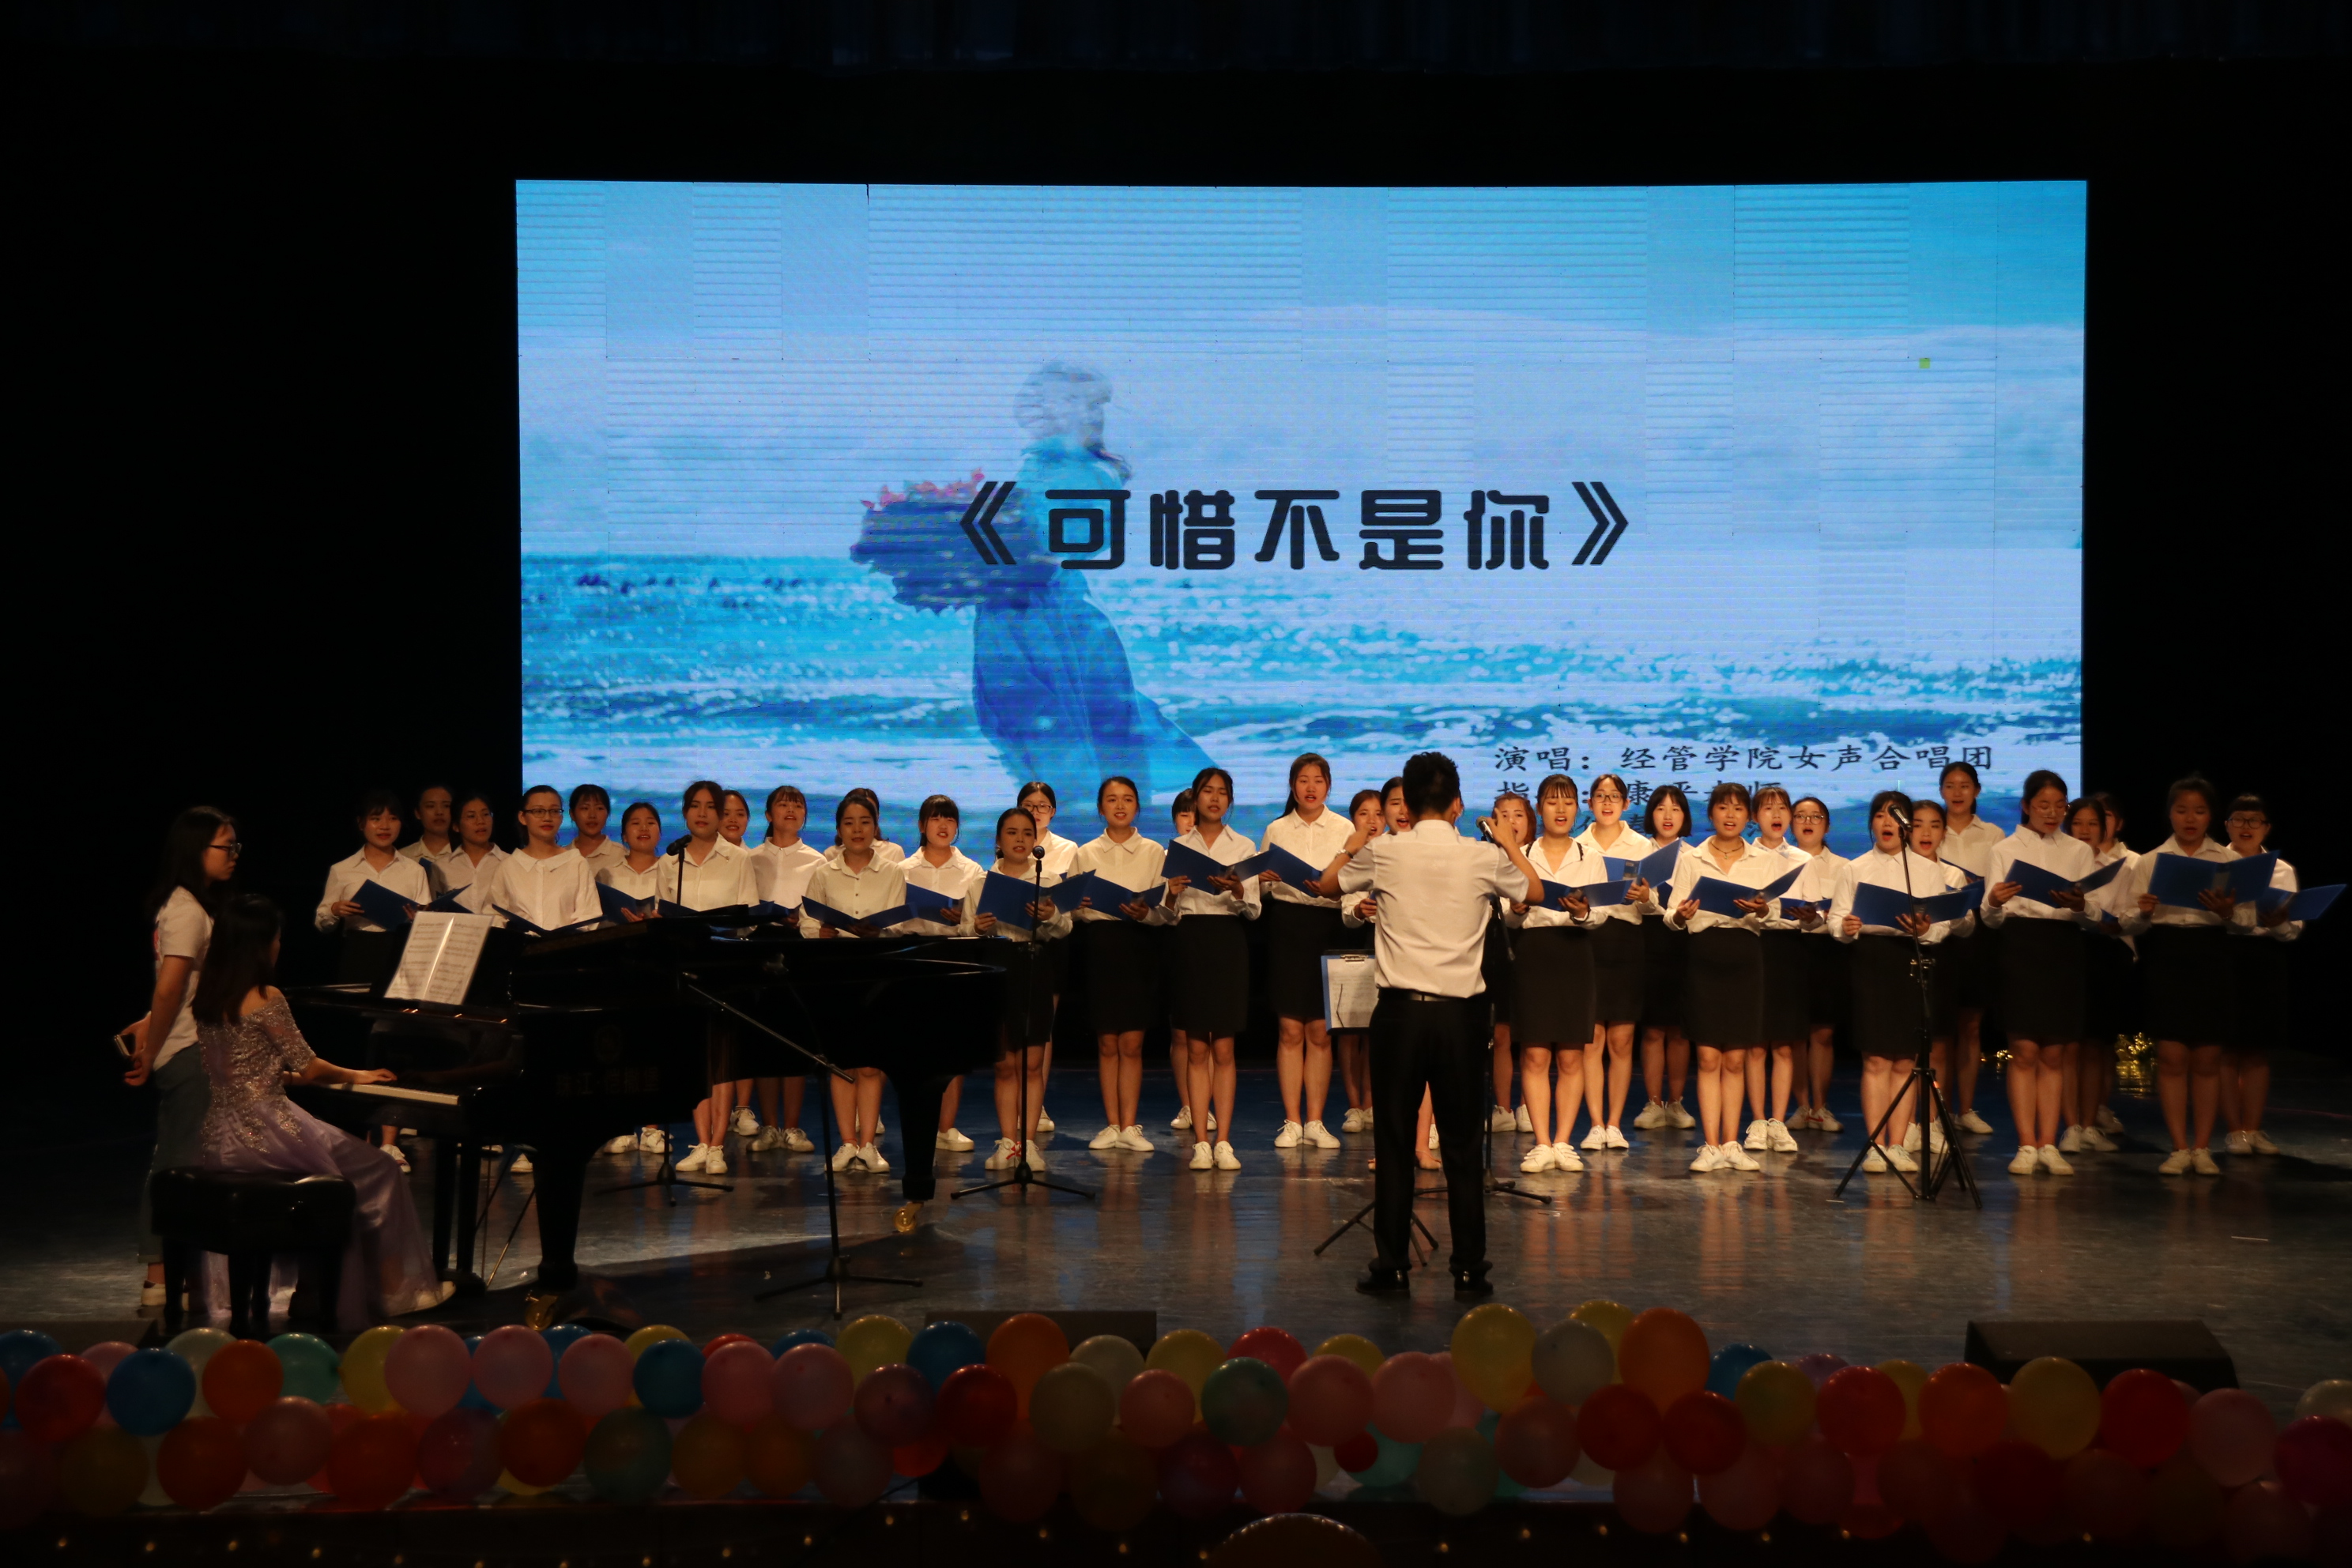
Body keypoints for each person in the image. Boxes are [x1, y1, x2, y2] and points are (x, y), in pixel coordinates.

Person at [190, 894, 451, 1323]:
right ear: (259, 945)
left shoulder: (208, 997)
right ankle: (392, 1290)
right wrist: (358, 1074)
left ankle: (312, 1290)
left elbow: (247, 1072)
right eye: (277, 938)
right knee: (380, 1171)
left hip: (221, 1135)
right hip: (268, 1130)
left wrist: (291, 1079)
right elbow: (310, 1066)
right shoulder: (265, 996)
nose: (279, 946)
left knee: (339, 1184)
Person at [1340, 751, 1544, 1298]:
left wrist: (1354, 844)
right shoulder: (1481, 855)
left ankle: (1392, 1266)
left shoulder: (1385, 850)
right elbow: (1535, 893)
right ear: (1457, 803)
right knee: (1460, 1145)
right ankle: (1470, 1269)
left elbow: (1328, 883)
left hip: (1400, 1014)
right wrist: (1508, 844)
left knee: (1395, 1140)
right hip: (1459, 1017)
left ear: (1406, 803)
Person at [125, 807, 239, 1309]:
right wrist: (151, 1048)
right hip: (189, 1050)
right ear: (196, 850)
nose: (233, 855)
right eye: (225, 846)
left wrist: (149, 1023)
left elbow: (180, 988)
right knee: (175, 1163)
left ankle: (179, 1273)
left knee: (184, 1161)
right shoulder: (188, 910)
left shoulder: (186, 905)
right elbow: (170, 986)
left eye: (235, 846)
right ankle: (159, 1277)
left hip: (191, 1043)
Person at [2120, 778, 2252, 1176]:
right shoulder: (2150, 861)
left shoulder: (2227, 861)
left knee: (2208, 1058)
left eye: (2198, 811)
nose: (2189, 818)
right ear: (2170, 814)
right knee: (2172, 1057)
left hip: (2211, 956)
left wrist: (2227, 912)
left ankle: (2202, 1148)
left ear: (2210, 816)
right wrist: (2143, 912)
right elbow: (2129, 923)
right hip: (2166, 956)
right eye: (2181, 810)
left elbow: (2247, 922)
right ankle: (2179, 1147)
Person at [1831, 792, 1966, 1174]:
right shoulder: (1854, 868)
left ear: (1905, 826)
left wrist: (1925, 929)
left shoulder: (1924, 869)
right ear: (1872, 823)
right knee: (1876, 1059)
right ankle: (1876, 1145)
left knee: (1906, 1059)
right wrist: (1846, 926)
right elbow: (1836, 921)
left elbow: (1941, 928)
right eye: (1880, 815)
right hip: (1871, 961)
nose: (1887, 823)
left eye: (1895, 816)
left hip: (1910, 961)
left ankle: (1898, 1143)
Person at [1981, 770, 2098, 1176]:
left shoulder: (2079, 851)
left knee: (2054, 1052)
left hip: (2063, 948)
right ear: (2026, 806)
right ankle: (2026, 1144)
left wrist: (2081, 905)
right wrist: (1994, 901)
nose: (2052, 813)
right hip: (2020, 947)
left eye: (2059, 806)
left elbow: (2093, 916)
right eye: (2043, 805)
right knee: (2025, 1050)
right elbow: (1990, 918)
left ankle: (2049, 1143)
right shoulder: (2004, 849)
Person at [1665, 783, 1780, 1174]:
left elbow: (1775, 913)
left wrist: (1761, 910)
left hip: (1745, 957)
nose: (1730, 815)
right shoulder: (1692, 857)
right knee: (1709, 1056)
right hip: (1704, 955)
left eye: (1738, 809)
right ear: (1711, 813)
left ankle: (1732, 1143)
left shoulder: (1763, 859)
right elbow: (1671, 915)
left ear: (1748, 817)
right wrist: (1680, 915)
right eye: (1723, 808)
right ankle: (1710, 1145)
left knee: (1735, 1058)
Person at [315, 789, 432, 1170]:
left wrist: (420, 919)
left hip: (398, 957)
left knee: (393, 1043)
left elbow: (427, 922)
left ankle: (390, 1142)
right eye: (376, 818)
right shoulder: (343, 869)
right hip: (357, 957)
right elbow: (321, 921)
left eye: (393, 818)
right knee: (356, 1045)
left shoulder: (414, 870)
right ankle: (359, 1139)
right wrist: (335, 909)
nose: (385, 825)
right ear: (361, 824)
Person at [801, 792, 907, 1171]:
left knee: (871, 1065)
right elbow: (807, 921)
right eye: (849, 823)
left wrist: (879, 931)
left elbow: (899, 925)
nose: (857, 830)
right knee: (841, 1062)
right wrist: (820, 933)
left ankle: (868, 1145)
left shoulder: (893, 872)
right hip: (837, 972)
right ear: (839, 829)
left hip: (878, 972)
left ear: (876, 827)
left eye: (865, 822)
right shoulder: (823, 873)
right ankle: (847, 1143)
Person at [1165, 766, 1261, 1171]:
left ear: (1230, 800)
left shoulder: (1244, 845)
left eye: (1222, 792)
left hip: (1227, 941)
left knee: (1224, 1047)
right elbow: (1167, 914)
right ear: (1196, 796)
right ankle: (1201, 1143)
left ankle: (1224, 1141)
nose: (1215, 798)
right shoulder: (1178, 846)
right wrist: (1172, 894)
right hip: (1191, 941)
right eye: (1208, 791)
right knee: (1196, 1047)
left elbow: (1253, 910)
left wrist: (1238, 889)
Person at [1506, 775, 1604, 1173]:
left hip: (1574, 953)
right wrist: (1516, 910)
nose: (1560, 810)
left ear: (1578, 809)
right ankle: (1541, 1143)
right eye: (1552, 802)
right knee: (1533, 1054)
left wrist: (1583, 912)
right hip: (1534, 954)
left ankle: (1563, 1142)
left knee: (1571, 1055)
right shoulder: (1520, 854)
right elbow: (1506, 915)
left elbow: (1601, 914)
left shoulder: (1590, 855)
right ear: (1539, 808)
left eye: (1568, 802)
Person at [971, 806, 1074, 1172]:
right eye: (1012, 833)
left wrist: (1051, 917)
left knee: (1031, 1063)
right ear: (998, 840)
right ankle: (1007, 1143)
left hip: (1035, 965)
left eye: (1027, 833)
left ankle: (1028, 1144)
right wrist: (978, 927)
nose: (1020, 839)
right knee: (1005, 1063)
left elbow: (1065, 928)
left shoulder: (1047, 880)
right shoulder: (981, 881)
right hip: (999, 966)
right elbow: (967, 929)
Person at [1260, 753, 1353, 1152]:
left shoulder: (1345, 829)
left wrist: (1334, 886)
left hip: (1327, 926)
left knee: (1319, 1030)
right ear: (1292, 786)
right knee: (1290, 1029)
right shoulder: (1276, 829)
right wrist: (1263, 879)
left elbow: (1354, 882)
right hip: (1287, 927)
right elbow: (1261, 889)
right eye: (1303, 780)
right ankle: (1292, 1121)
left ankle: (1315, 1120)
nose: (1310, 787)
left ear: (1328, 786)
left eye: (1318, 780)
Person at [666, 780, 758, 1175]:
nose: (702, 813)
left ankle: (718, 1144)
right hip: (686, 968)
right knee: (695, 1057)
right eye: (694, 806)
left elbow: (749, 919)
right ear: (685, 812)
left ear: (720, 816)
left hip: (722, 967)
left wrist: (722, 929)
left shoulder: (737, 859)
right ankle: (701, 1141)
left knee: (722, 1060)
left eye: (710, 807)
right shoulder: (671, 861)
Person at [1076, 776, 1165, 1155]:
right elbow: (1073, 911)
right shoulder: (1085, 853)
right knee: (1107, 1042)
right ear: (1101, 808)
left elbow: (1167, 911)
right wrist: (1080, 907)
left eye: (1128, 799)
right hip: (1101, 946)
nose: (1120, 806)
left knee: (1132, 1042)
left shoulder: (1154, 851)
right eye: (1112, 800)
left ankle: (1130, 1125)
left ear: (1137, 807)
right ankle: (1112, 1124)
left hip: (1138, 945)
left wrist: (1148, 913)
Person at [896, 793, 988, 1153]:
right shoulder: (902, 870)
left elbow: (979, 920)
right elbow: (891, 919)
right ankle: (919, 1123)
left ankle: (947, 1127)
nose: (943, 825)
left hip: (956, 956)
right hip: (916, 957)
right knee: (915, 1049)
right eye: (935, 819)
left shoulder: (972, 871)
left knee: (953, 1048)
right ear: (922, 825)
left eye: (949, 819)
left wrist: (963, 918)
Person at [2220, 793, 2300, 1156]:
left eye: (2255, 821)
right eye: (2238, 819)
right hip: (2224, 955)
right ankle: (2234, 1131)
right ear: (2227, 825)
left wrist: (2280, 923)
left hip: (2265, 958)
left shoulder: (2282, 870)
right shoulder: (2215, 864)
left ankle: (2253, 1129)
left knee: (2257, 1049)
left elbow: (2293, 931)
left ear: (2266, 828)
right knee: (2226, 1049)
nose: (2246, 827)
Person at [1572, 772, 1649, 1152]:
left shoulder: (1642, 845)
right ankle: (1595, 1123)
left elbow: (1656, 906)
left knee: (1622, 1040)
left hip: (1626, 943)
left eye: (1614, 796)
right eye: (1600, 796)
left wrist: (1645, 896)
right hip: (1589, 940)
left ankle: (1615, 1124)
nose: (1607, 802)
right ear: (1589, 803)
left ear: (1626, 804)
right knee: (1592, 1039)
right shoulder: (1577, 845)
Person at [593, 801, 672, 1158]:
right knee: (621, 1045)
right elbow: (596, 922)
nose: (644, 828)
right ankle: (622, 1125)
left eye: (651, 822)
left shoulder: (672, 870)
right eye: (635, 823)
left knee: (655, 1043)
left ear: (660, 831)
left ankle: (654, 1127)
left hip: (658, 965)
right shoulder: (607, 874)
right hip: (619, 964)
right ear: (624, 834)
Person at [1936, 762, 2006, 1136]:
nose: (1958, 792)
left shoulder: (1994, 834)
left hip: (1979, 932)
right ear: (1941, 791)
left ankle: (1965, 1108)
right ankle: (1940, 1110)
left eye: (1965, 785)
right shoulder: (1931, 829)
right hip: (1941, 929)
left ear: (1977, 791)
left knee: (1971, 1023)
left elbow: (2001, 885)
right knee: (1942, 1026)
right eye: (1950, 785)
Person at [1742, 784, 1812, 1156]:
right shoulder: (1743, 856)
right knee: (1755, 1043)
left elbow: (1815, 916)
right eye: (1768, 808)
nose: (1777, 814)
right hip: (1754, 948)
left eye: (1783, 808)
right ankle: (1757, 1120)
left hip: (1789, 951)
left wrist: (1811, 916)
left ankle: (1779, 1121)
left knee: (1784, 1043)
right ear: (1755, 816)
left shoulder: (1803, 858)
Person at [2064, 796, 2129, 1152]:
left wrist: (2112, 922)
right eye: (2077, 823)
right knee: (2066, 1045)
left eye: (2093, 823)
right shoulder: (2059, 860)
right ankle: (2069, 1126)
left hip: (2103, 954)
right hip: (2064, 950)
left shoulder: (2117, 866)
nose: (2085, 830)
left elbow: (2125, 914)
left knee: (2093, 1046)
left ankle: (2089, 1123)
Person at [1632, 785, 1698, 1133]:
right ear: (1650, 815)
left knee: (1680, 1029)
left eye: (1676, 809)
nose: (1668, 815)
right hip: (1649, 942)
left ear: (1685, 816)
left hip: (1686, 943)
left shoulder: (1696, 856)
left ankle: (1676, 1103)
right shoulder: (1638, 853)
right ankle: (1653, 1102)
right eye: (1660, 808)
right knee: (1654, 1028)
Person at [1016, 781, 1076, 1134]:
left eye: (1042, 806)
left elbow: (1073, 903)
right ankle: (1017, 1101)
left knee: (1043, 1026)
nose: (1036, 812)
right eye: (1029, 805)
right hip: (1017, 937)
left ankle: (1036, 1106)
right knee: (1017, 1025)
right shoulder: (1009, 843)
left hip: (1052, 940)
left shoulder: (1068, 849)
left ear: (1052, 812)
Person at [1327, 788, 1387, 1135]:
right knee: (1350, 1030)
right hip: (1355, 941)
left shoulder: (1393, 852)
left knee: (1379, 1031)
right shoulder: (1349, 855)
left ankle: (1374, 1101)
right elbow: (1345, 909)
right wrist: (1358, 911)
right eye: (1364, 814)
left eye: (1379, 813)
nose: (1372, 821)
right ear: (1353, 819)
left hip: (1389, 945)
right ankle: (1355, 1106)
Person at [1788, 797, 1848, 1131]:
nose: (1808, 822)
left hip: (1827, 951)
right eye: (1800, 816)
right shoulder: (1780, 860)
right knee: (1795, 1034)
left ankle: (1821, 1107)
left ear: (1827, 825)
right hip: (1789, 948)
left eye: (1816, 816)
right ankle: (1801, 1106)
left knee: (1823, 1033)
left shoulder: (1844, 867)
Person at [1479, 792, 1532, 1138]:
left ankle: (1528, 1105)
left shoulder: (1537, 856)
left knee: (1530, 1033)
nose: (1511, 822)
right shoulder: (1484, 857)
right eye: (1503, 815)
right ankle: (1502, 1107)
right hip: (1493, 947)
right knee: (1499, 1033)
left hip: (1532, 948)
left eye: (1518, 815)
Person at [1163, 787, 1212, 1138]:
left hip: (1213, 944)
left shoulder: (1223, 852)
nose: (1190, 821)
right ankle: (1188, 1104)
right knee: (1181, 1033)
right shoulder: (1167, 858)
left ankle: (1207, 1105)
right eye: (1184, 814)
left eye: (1196, 814)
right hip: (1178, 944)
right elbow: (1159, 910)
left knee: (1211, 1033)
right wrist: (1170, 892)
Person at [487, 784, 601, 932]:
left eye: (554, 811)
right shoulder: (508, 867)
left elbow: (588, 915)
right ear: (523, 817)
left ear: (561, 817)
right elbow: (494, 914)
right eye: (539, 811)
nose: (547, 818)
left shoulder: (576, 863)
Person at [440, 792, 507, 906]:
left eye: (486, 814)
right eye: (471, 816)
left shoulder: (509, 862)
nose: (480, 821)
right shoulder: (442, 867)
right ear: (456, 826)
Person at [398, 783, 458, 895]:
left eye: (446, 806)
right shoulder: (403, 856)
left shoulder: (464, 855)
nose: (439, 812)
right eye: (430, 806)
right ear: (418, 813)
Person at [566, 785, 624, 884]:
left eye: (599, 808)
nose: (592, 815)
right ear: (572, 814)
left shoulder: (621, 855)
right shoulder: (562, 856)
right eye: (585, 808)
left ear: (608, 813)